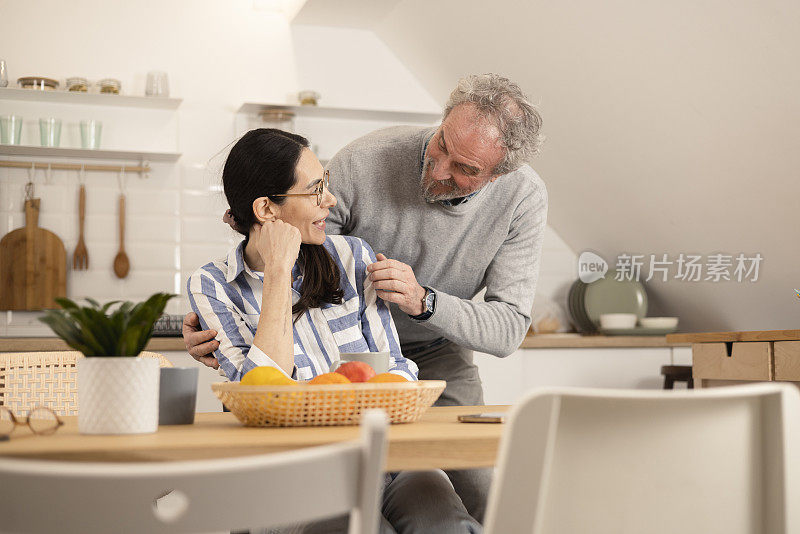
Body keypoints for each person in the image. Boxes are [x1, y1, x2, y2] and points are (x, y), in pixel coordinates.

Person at [185, 74, 547, 524]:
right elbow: (295, 247)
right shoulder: (364, 164)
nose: (438, 171)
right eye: (442, 146)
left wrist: (423, 301)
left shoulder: (522, 198)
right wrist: (226, 312)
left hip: (430, 354)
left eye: (465, 169)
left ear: (497, 174)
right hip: (333, 376)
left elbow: (507, 328)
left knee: (477, 494)